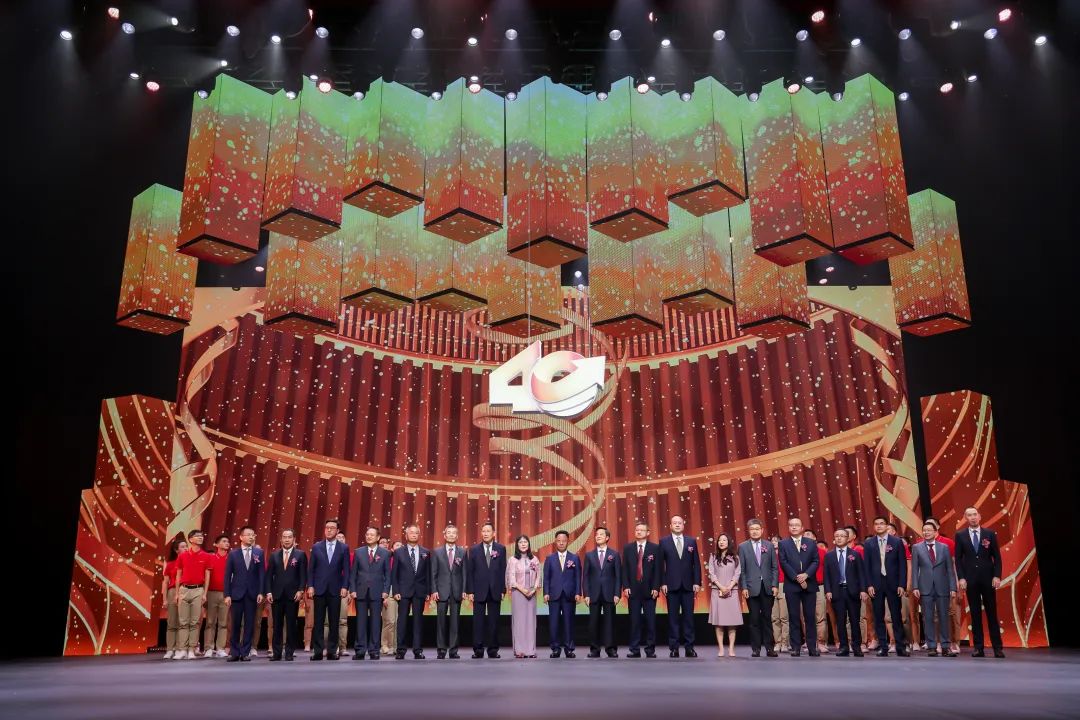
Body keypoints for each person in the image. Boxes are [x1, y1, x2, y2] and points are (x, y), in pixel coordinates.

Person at [954, 507, 1005, 658]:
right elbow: (958, 559)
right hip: (971, 580)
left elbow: (997, 557)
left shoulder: (990, 534)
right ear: (966, 518)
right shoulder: (960, 535)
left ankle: (997, 647)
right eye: (969, 515)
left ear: (979, 516)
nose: (973, 517)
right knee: (975, 614)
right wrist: (961, 578)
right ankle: (978, 648)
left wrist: (997, 576)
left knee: (991, 613)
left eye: (975, 514)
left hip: (988, 579)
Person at [863, 516, 909, 656]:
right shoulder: (869, 543)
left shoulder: (897, 542)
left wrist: (902, 584)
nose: (879, 526)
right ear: (873, 527)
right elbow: (866, 566)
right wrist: (869, 585)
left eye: (882, 523)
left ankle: (900, 646)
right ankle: (883, 646)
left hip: (893, 584)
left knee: (896, 616)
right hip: (876, 584)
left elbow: (902, 564)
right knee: (878, 616)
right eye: (876, 524)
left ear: (887, 526)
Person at [911, 521, 957, 657]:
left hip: (943, 586)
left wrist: (953, 587)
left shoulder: (944, 547)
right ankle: (931, 646)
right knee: (928, 617)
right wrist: (915, 586)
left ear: (935, 531)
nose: (926, 532)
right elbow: (914, 569)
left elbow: (950, 569)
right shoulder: (917, 547)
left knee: (944, 616)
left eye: (929, 530)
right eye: (924, 530)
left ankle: (945, 646)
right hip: (925, 587)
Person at [659, 515, 702, 657]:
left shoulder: (691, 541)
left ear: (683, 525)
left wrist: (697, 582)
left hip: (688, 586)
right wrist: (663, 583)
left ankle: (689, 647)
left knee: (689, 618)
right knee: (673, 619)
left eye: (680, 523)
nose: (677, 525)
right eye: (675, 523)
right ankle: (674, 648)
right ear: (670, 526)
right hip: (671, 585)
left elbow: (696, 564)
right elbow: (660, 565)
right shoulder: (663, 542)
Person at [307, 519, 350, 660]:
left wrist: (345, 586)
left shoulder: (343, 548)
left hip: (335, 589)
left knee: (334, 621)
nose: (329, 530)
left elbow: (346, 570)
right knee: (318, 622)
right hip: (318, 589)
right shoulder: (317, 547)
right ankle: (318, 651)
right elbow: (311, 569)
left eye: (332, 528)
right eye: (327, 527)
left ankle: (332, 651)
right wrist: (310, 585)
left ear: (337, 531)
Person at [778, 517, 819, 656]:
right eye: (791, 525)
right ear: (788, 528)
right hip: (792, 584)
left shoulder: (811, 543)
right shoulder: (783, 544)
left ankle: (812, 647)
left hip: (809, 584)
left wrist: (806, 575)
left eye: (797, 525)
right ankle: (796, 647)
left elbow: (815, 561)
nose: (794, 527)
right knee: (794, 616)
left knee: (810, 617)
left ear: (802, 528)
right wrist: (797, 577)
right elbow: (783, 562)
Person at [465, 522, 506, 659]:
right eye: (483, 531)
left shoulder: (501, 548)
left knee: (494, 622)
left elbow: (503, 570)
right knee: (478, 622)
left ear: (493, 533)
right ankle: (478, 650)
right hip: (478, 590)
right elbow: (470, 571)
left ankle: (493, 650)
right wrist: (470, 591)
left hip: (495, 590)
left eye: (488, 531)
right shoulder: (474, 549)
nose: (486, 533)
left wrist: (503, 589)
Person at [223, 526, 265, 662]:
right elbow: (227, 575)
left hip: (252, 593)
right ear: (241, 537)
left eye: (253, 534)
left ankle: (245, 651)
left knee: (249, 624)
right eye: (248, 534)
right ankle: (235, 652)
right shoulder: (233, 554)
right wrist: (227, 594)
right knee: (235, 624)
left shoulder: (259, 553)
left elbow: (261, 574)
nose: (251, 537)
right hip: (236, 594)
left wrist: (261, 592)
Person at [265, 528, 307, 661]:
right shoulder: (274, 555)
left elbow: (303, 575)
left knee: (291, 625)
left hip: (292, 595)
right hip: (276, 595)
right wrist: (268, 591)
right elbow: (268, 576)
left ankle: (289, 652)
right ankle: (276, 653)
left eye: (289, 537)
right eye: (284, 537)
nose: (287, 539)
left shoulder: (300, 555)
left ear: (294, 539)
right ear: (281, 539)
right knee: (277, 625)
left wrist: (301, 590)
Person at [823, 528, 866, 657]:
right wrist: (828, 590)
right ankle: (843, 647)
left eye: (842, 536)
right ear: (834, 538)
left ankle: (857, 647)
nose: (839, 538)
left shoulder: (855, 554)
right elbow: (826, 575)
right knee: (840, 621)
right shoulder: (829, 556)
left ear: (848, 538)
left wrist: (863, 590)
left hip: (853, 591)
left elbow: (861, 574)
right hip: (837, 592)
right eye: (837, 536)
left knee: (855, 621)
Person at [738, 519, 778, 658]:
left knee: (767, 618)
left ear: (762, 530)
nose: (754, 531)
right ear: (748, 531)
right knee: (754, 619)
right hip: (751, 588)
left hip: (767, 587)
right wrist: (743, 587)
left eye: (757, 529)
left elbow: (774, 567)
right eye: (752, 529)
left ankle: (770, 648)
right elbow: (742, 570)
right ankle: (756, 649)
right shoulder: (743, 547)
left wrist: (774, 585)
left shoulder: (769, 545)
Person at [349, 527, 390, 660]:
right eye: (367, 534)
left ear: (378, 537)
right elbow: (353, 573)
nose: (369, 536)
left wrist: (385, 591)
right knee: (360, 622)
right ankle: (360, 650)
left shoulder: (385, 553)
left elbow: (387, 575)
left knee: (375, 622)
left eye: (372, 535)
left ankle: (374, 650)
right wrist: (352, 589)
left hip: (377, 592)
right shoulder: (359, 552)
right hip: (360, 591)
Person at [622, 521, 661, 658]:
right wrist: (626, 586)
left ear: (648, 533)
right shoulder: (628, 548)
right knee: (634, 622)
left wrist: (656, 587)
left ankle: (650, 650)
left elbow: (658, 570)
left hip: (650, 591)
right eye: (637, 530)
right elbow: (625, 569)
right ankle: (635, 649)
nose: (638, 532)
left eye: (641, 530)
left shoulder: (655, 548)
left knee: (650, 622)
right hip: (633, 590)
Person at [392, 523, 430, 659]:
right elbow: (394, 574)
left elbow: (428, 574)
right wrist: (395, 590)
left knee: (418, 621)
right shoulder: (398, 552)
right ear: (406, 535)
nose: (414, 535)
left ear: (419, 535)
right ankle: (401, 650)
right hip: (403, 591)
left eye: (416, 533)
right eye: (411, 532)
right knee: (402, 621)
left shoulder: (426, 552)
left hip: (420, 591)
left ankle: (418, 650)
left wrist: (428, 592)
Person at [924, 517, 961, 654]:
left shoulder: (948, 543)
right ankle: (936, 642)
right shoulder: (920, 544)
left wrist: (955, 584)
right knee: (932, 615)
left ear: (937, 528)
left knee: (950, 613)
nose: (928, 530)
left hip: (945, 583)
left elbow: (953, 565)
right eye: (926, 527)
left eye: (931, 526)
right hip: (928, 585)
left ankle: (953, 642)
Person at [174, 529, 211, 660]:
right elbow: (178, 575)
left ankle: (191, 650)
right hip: (184, 590)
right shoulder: (182, 556)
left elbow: (207, 576)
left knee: (195, 622)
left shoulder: (206, 556)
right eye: (197, 536)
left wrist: (205, 593)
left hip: (198, 590)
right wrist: (177, 593)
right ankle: (182, 650)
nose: (200, 538)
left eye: (201, 536)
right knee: (183, 622)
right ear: (190, 539)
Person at [583, 527, 621, 658]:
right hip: (593, 594)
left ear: (607, 538)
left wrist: (617, 593)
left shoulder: (614, 554)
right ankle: (595, 649)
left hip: (609, 593)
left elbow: (618, 576)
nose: (598, 536)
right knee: (593, 623)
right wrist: (586, 594)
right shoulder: (589, 555)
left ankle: (611, 649)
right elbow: (586, 576)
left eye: (601, 534)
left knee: (610, 623)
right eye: (596, 534)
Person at [430, 524, 465, 659]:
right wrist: (434, 590)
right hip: (441, 591)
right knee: (441, 622)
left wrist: (464, 590)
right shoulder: (437, 552)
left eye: (453, 533)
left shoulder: (462, 552)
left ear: (457, 536)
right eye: (448, 532)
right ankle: (441, 650)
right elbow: (433, 573)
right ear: (444, 535)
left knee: (455, 623)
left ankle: (453, 650)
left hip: (456, 591)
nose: (451, 535)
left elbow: (464, 573)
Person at [543, 530, 579, 659]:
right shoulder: (549, 558)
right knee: (554, 623)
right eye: (559, 541)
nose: (561, 543)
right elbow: (546, 578)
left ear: (568, 541)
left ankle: (569, 649)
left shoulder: (574, 558)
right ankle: (555, 649)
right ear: (555, 542)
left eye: (564, 540)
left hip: (569, 595)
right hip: (554, 594)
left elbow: (577, 577)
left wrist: (578, 593)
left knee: (569, 623)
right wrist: (546, 593)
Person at [707, 533, 743, 657]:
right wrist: (721, 587)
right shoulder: (713, 556)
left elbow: (737, 573)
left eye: (724, 540)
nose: (721, 542)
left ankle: (731, 649)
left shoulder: (735, 557)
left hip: (732, 591)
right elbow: (712, 573)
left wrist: (729, 587)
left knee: (732, 622)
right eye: (720, 540)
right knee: (719, 622)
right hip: (717, 591)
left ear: (729, 542)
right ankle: (721, 649)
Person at [506, 535, 541, 658]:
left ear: (528, 544)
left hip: (531, 593)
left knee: (531, 622)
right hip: (518, 593)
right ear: (517, 545)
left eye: (525, 542)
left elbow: (538, 576)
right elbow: (511, 579)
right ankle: (519, 650)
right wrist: (523, 590)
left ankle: (531, 650)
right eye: (520, 542)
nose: (523, 544)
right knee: (519, 622)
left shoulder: (534, 559)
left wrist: (534, 589)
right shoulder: (512, 560)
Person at [202, 534, 230, 658]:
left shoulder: (231, 558)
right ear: (216, 544)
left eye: (228, 541)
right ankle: (208, 648)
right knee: (210, 621)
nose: (227, 543)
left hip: (226, 594)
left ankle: (220, 648)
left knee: (223, 623)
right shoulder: (210, 557)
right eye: (224, 541)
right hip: (212, 593)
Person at [804, 530, 830, 654]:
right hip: (804, 587)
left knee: (821, 617)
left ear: (815, 538)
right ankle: (810, 642)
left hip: (819, 586)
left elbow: (828, 571)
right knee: (806, 617)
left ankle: (821, 642)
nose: (806, 537)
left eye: (809, 535)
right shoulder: (799, 552)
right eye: (804, 535)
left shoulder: (822, 552)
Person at [161, 537, 187, 659]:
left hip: (186, 591)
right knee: (172, 622)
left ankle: (180, 648)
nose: (185, 548)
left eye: (186, 546)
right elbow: (165, 582)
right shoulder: (170, 564)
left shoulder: (189, 562)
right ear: (176, 550)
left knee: (183, 622)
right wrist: (165, 599)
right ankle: (170, 649)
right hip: (172, 592)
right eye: (182, 547)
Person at [381, 540, 402, 655]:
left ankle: (395, 646)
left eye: (401, 545)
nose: (400, 547)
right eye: (397, 545)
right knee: (390, 621)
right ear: (392, 549)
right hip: (389, 592)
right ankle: (386, 645)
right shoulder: (388, 560)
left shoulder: (403, 559)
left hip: (401, 593)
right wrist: (384, 596)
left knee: (397, 621)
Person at [770, 536, 789, 653]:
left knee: (784, 617)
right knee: (774, 617)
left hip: (783, 585)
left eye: (776, 540)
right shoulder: (768, 555)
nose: (774, 542)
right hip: (771, 586)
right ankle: (777, 642)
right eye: (772, 541)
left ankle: (785, 642)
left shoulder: (785, 554)